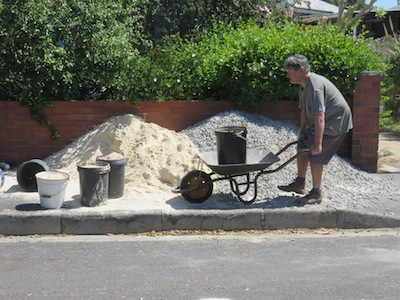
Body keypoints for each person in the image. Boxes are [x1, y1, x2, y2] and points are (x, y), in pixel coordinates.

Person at [278, 54, 353, 204]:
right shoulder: (303, 86)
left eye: (289, 71)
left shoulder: (315, 87)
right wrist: (302, 133)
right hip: (324, 120)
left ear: (300, 70)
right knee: (303, 144)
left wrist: (318, 143)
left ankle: (316, 192)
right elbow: (304, 111)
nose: (287, 75)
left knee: (315, 153)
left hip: (336, 122)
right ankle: (300, 183)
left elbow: (320, 117)